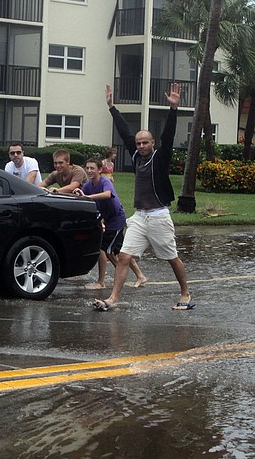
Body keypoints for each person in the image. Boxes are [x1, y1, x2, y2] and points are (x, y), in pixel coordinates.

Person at [93, 82, 194, 311]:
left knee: (171, 258)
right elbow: (124, 131)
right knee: (125, 256)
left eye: (145, 142)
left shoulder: (160, 157)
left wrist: (174, 109)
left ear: (152, 143)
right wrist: (111, 107)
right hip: (140, 217)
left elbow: (168, 135)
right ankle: (113, 298)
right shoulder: (137, 156)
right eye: (138, 143)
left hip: (159, 216)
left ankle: (185, 293)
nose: (140, 146)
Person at [74, 157, 148, 289]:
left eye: (92, 168)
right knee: (120, 251)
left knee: (103, 248)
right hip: (107, 220)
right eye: (87, 168)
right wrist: (62, 192)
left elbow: (108, 194)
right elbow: (80, 196)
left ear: (100, 170)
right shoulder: (89, 185)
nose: (89, 171)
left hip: (117, 220)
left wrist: (87, 196)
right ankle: (139, 276)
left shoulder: (105, 181)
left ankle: (101, 282)